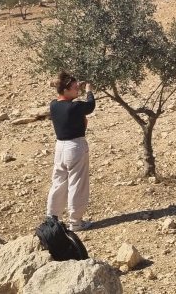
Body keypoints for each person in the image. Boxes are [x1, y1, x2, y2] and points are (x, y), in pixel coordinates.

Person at [46, 71, 96, 231]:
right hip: (75, 147)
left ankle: (52, 219)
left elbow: (69, 104)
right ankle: (76, 222)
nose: (78, 90)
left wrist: (77, 87)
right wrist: (89, 91)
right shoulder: (76, 107)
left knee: (58, 183)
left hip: (60, 147)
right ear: (66, 90)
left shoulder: (53, 104)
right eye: (75, 88)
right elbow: (90, 106)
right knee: (77, 184)